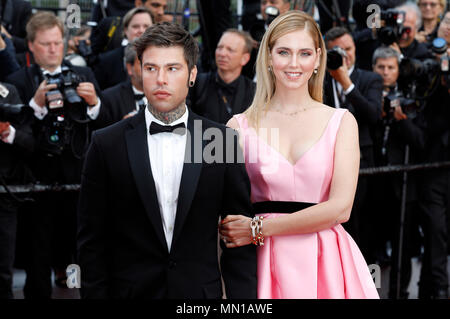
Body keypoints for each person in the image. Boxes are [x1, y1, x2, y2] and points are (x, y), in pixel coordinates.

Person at [77, 22, 257, 299]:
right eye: (151, 68)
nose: (161, 79)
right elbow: (92, 242)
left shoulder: (218, 139)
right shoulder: (107, 144)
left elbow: (238, 235)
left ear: (192, 74)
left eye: (172, 68)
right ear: (139, 71)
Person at [220, 10, 379, 299]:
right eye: (283, 52)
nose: (294, 64)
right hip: (260, 262)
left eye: (304, 53)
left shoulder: (342, 122)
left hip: (327, 261)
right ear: (269, 57)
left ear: (318, 58)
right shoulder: (237, 126)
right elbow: (222, 210)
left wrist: (258, 228)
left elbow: (340, 208)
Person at [5, 11, 103, 299]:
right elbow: (15, 131)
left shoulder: (83, 75)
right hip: (36, 181)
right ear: (32, 46)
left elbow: (101, 122)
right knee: (38, 250)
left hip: (77, 178)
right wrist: (35, 106)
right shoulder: (17, 80)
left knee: (75, 247)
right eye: (46, 44)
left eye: (58, 43)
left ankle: (72, 292)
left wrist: (95, 102)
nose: (53, 49)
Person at [371, 46, 426, 299]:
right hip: (373, 181)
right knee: (372, 242)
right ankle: (370, 289)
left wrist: (401, 120)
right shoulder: (367, 95)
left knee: (401, 242)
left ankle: (398, 292)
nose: (385, 72)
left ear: (398, 70)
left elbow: (421, 142)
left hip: (402, 183)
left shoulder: (411, 95)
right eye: (380, 67)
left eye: (390, 67)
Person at [323, 26, 383, 258]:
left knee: (360, 224)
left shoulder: (370, 79)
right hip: (325, 162)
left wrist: (346, 84)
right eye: (337, 51)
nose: (345, 55)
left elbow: (373, 115)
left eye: (348, 49)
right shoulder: (319, 82)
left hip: (362, 164)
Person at [0, 82, 35, 299]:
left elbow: (30, 143)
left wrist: (8, 131)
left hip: (5, 195)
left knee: (3, 268)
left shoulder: (8, 91)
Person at [188, 29, 255, 124]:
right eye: (219, 47)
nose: (222, 54)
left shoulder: (254, 92)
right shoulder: (197, 84)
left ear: (244, 58)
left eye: (230, 50)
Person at [93, 7, 153, 90]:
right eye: (135, 26)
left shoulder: (164, 59)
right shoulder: (106, 61)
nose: (141, 31)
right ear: (125, 30)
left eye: (146, 26)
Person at [98, 42, 147, 127]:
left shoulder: (170, 94)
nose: (149, 68)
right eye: (142, 63)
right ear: (129, 68)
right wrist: (122, 127)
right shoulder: (110, 98)